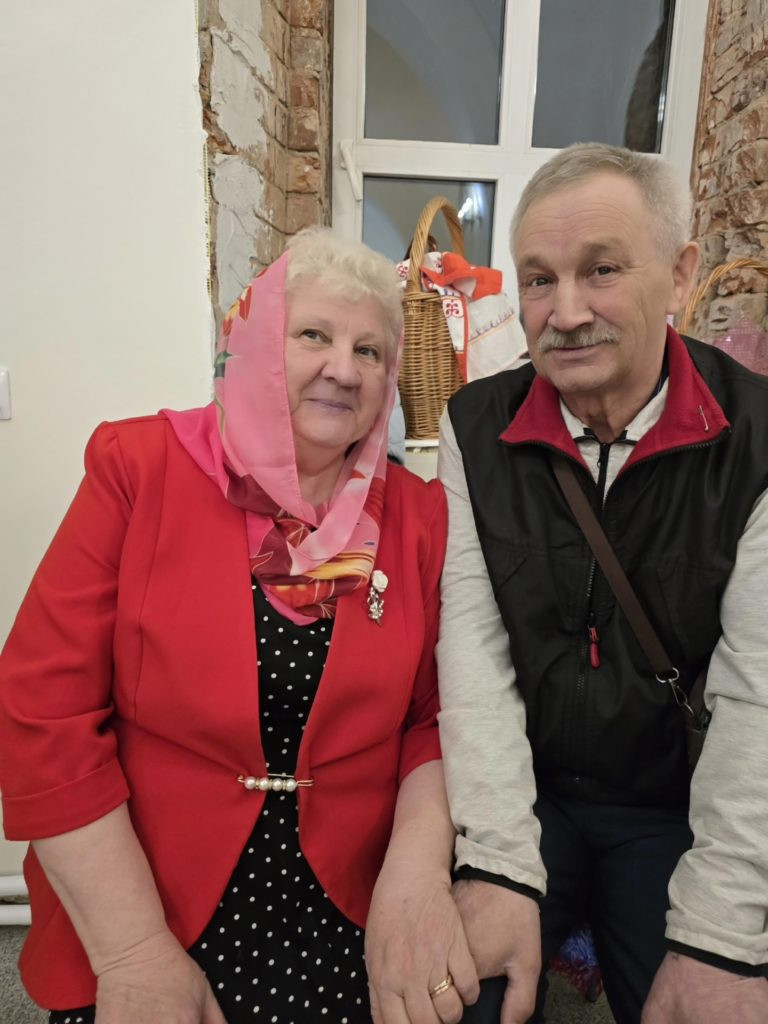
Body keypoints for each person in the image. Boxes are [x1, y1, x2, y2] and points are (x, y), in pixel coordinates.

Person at [0, 228, 480, 1024]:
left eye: (368, 350)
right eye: (313, 335)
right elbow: (42, 713)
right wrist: (132, 951)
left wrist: (416, 876)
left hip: (354, 901)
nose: (343, 368)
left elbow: (436, 719)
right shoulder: (139, 468)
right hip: (145, 902)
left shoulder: (420, 515)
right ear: (255, 345)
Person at [437, 143, 768, 1024]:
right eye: (539, 280)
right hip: (526, 793)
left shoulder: (756, 440)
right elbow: (473, 656)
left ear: (681, 274)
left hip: (673, 808)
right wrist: (497, 862)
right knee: (462, 1000)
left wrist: (720, 935)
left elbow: (758, 699)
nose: (567, 312)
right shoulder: (476, 427)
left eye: (603, 270)